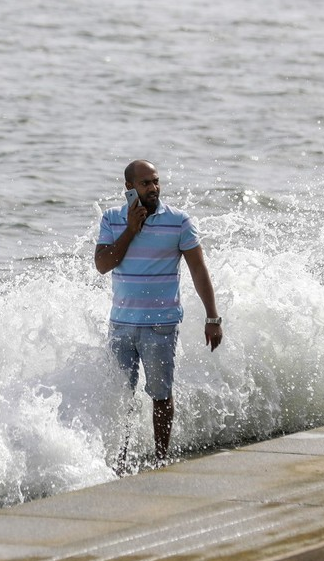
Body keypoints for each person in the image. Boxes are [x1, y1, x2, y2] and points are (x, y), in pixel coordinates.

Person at [95, 159, 223, 473]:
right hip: (121, 324)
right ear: (129, 188)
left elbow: (198, 270)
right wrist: (130, 229)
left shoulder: (179, 221)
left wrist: (212, 318)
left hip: (160, 325)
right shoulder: (112, 219)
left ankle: (160, 459)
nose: (153, 189)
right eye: (145, 184)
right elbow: (102, 264)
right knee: (121, 396)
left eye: (155, 182)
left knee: (161, 395)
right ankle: (120, 461)